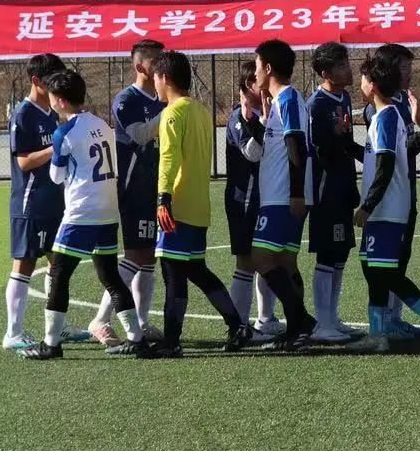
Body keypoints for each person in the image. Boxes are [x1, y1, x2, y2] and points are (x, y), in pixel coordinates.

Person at [22, 70, 138, 360]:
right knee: (110, 276)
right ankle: (136, 338)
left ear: (61, 101)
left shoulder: (64, 132)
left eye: (52, 98)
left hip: (81, 212)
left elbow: (57, 176)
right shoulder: (101, 124)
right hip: (108, 210)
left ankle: (51, 343)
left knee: (59, 274)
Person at [151, 52, 255, 353]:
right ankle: (237, 325)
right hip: (199, 206)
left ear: (165, 78)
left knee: (173, 272)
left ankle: (172, 342)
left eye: (156, 78)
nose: (155, 84)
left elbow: (169, 158)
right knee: (196, 270)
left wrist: (163, 198)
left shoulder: (172, 113)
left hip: (178, 206)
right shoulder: (200, 110)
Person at [349, 52, 420, 354]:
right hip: (384, 208)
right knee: (372, 268)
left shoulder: (387, 117)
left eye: (363, 78)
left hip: (388, 209)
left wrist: (367, 206)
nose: (360, 83)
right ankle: (378, 333)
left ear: (373, 84)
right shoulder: (386, 116)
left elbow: (386, 167)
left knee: (385, 272)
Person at [92, 40, 167, 347]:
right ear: (140, 67)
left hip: (156, 187)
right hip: (134, 187)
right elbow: (139, 134)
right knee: (137, 254)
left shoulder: (163, 98)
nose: (161, 66)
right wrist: (173, 111)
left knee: (149, 259)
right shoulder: (126, 99)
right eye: (155, 61)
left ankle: (142, 321)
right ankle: (100, 319)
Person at [252, 38, 318, 349]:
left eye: (256, 66)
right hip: (284, 195)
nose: (255, 73)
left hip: (282, 197)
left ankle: (299, 321)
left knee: (261, 258)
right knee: (287, 263)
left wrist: (295, 193)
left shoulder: (289, 98)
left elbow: (296, 145)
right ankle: (298, 329)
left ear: (268, 68)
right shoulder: (281, 101)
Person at [3, 53, 66, 351]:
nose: (57, 87)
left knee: (59, 263)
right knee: (25, 263)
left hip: (55, 201)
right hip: (30, 204)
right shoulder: (23, 115)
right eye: (51, 81)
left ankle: (58, 326)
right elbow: (24, 161)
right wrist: (55, 148)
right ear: (36, 81)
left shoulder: (52, 113)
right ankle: (13, 332)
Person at [306, 42, 363, 344]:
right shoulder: (316, 105)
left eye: (347, 63)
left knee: (340, 254)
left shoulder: (344, 98)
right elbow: (318, 151)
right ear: (326, 73)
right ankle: (322, 323)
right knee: (327, 255)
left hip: (343, 188)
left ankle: (333, 318)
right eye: (341, 66)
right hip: (325, 191)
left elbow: (347, 145)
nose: (349, 69)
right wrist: (336, 136)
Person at [223, 73, 281, 336]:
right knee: (246, 261)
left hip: (264, 196)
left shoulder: (263, 112)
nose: (265, 86)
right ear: (248, 86)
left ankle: (266, 319)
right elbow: (253, 153)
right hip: (243, 199)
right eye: (260, 82)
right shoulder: (239, 117)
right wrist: (264, 122)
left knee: (267, 256)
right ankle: (240, 326)